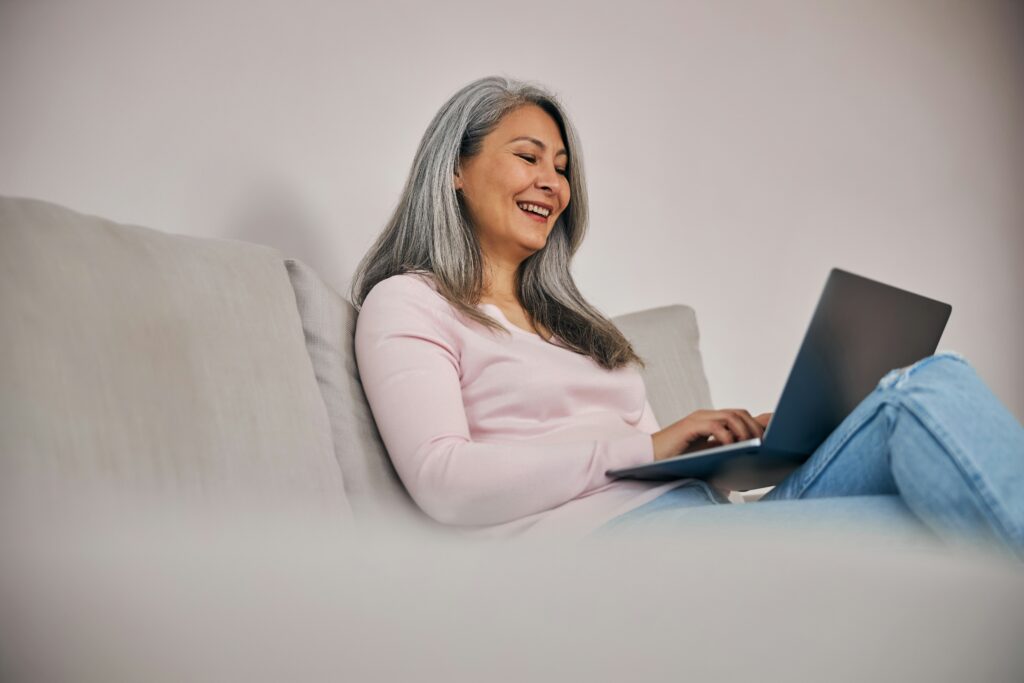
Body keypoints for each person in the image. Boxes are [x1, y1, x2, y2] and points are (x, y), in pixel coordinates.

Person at [351, 76, 1024, 558]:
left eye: (561, 167)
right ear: (455, 172)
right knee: (925, 477)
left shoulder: (577, 331)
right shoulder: (410, 303)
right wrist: (645, 448)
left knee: (926, 383)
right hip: (609, 553)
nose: (553, 183)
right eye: (527, 157)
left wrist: (739, 451)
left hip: (705, 525)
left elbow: (656, 466)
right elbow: (446, 482)